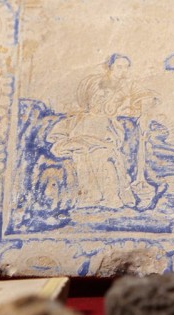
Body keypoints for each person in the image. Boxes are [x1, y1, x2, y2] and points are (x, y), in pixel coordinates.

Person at [48, 54, 140, 209]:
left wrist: (108, 140)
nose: (99, 100)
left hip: (102, 143)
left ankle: (111, 197)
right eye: (96, 96)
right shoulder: (79, 117)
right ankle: (91, 197)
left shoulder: (110, 118)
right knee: (83, 154)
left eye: (103, 97)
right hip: (83, 141)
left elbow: (116, 136)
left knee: (104, 155)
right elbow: (63, 134)